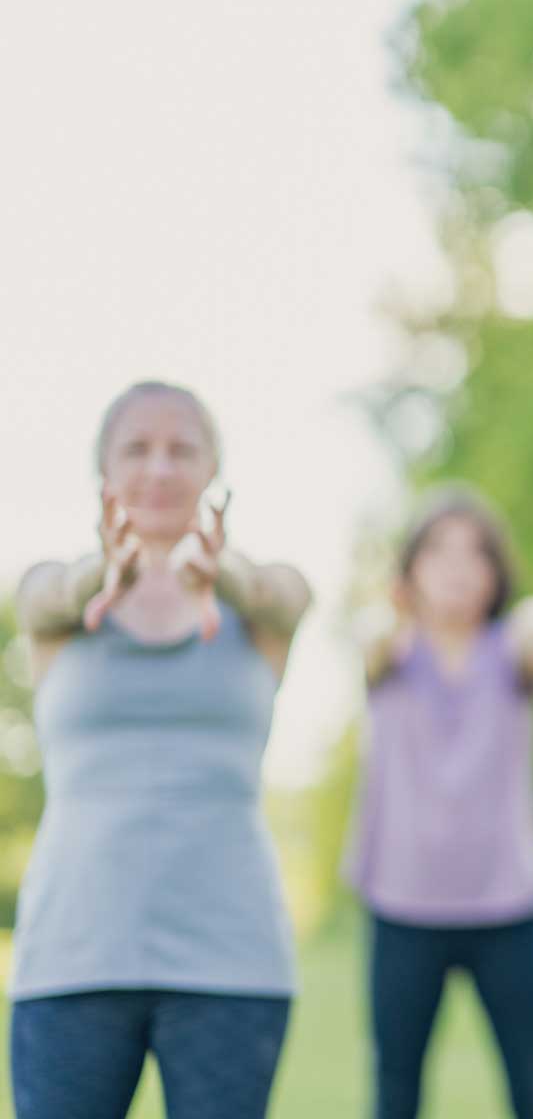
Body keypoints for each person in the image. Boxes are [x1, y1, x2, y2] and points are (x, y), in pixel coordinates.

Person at [9, 380, 312, 1119]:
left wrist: (219, 573)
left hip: (232, 964)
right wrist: (100, 576)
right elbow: (47, 593)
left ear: (213, 472)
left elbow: (282, 595)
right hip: (70, 961)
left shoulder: (259, 604)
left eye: (183, 449)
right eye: (137, 448)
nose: (160, 467)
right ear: (104, 474)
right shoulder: (56, 604)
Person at [345, 487, 533, 1119]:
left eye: (475, 554)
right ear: (410, 570)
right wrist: (390, 617)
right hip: (402, 903)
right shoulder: (390, 649)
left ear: (496, 573)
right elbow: (370, 642)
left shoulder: (512, 651)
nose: (455, 568)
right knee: (395, 1093)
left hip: (505, 903)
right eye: (438, 552)